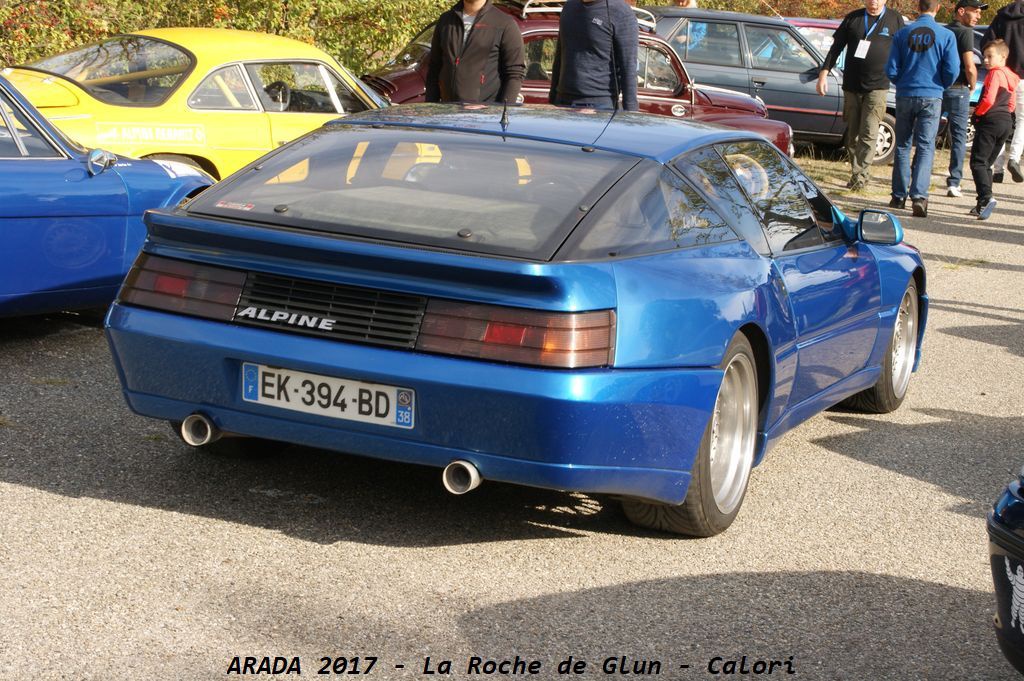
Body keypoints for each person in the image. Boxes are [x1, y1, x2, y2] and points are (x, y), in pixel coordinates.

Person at [816, 0, 905, 192]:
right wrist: (823, 73)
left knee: (869, 132)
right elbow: (836, 47)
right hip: (852, 86)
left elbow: (903, 49)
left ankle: (860, 176)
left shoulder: (894, 19)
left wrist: (902, 74)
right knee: (853, 136)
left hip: (878, 86)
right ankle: (858, 172)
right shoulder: (853, 18)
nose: (874, 1)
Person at [886, 0, 960, 217]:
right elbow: (953, 69)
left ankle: (898, 196)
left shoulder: (902, 34)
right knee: (926, 147)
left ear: (918, 8)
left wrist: (901, 81)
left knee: (902, 145)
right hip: (932, 94)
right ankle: (919, 196)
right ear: (937, 8)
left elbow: (890, 68)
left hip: (905, 93)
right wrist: (940, 85)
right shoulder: (946, 35)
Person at [425, 0, 525, 104]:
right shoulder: (446, 20)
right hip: (448, 111)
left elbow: (514, 73)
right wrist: (431, 106)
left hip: (483, 115)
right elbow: (434, 67)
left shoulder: (504, 23)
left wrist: (502, 111)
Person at [549, 0, 639, 111]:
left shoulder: (620, 12)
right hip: (562, 102)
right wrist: (552, 99)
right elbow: (559, 56)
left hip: (600, 106)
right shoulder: (569, 6)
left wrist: (630, 115)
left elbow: (629, 66)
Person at [969, 40, 1020, 218]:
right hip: (1005, 122)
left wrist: (977, 114)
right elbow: (1012, 104)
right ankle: (981, 204)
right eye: (984, 56)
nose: (986, 60)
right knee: (986, 164)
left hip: (990, 121)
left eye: (990, 56)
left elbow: (989, 99)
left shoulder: (995, 74)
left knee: (977, 162)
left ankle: (986, 197)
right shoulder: (1012, 76)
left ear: (1003, 56)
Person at [942, 0, 985, 197]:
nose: (978, 16)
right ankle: (954, 182)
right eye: (975, 11)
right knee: (959, 137)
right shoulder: (965, 32)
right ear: (961, 11)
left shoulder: (943, 30)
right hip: (959, 87)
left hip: (938, 88)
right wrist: (972, 83)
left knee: (928, 135)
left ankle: (917, 177)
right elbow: (969, 65)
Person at [982, 0, 1024, 182]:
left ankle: (996, 168)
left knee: (1001, 118)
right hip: (1023, 77)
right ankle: (1014, 157)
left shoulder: (1002, 16)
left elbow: (985, 41)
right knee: (1022, 120)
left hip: (1002, 74)